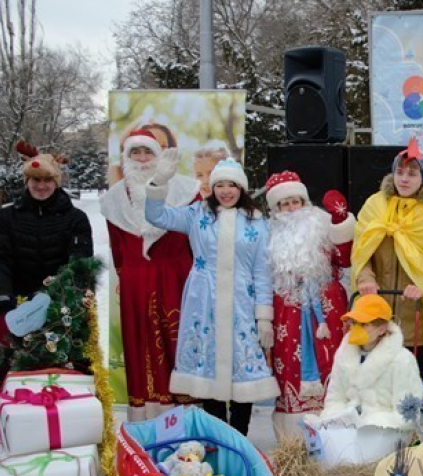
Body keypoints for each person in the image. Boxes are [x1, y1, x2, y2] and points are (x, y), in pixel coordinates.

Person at [145, 155, 279, 437]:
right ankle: (216, 437)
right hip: (203, 303)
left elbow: (262, 272)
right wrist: (158, 183)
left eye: (232, 184)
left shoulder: (257, 223)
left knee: (243, 374)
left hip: (242, 304)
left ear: (241, 188)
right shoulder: (197, 214)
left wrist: (264, 317)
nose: (226, 191)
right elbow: (156, 215)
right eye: (220, 184)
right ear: (212, 187)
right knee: (207, 368)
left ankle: (239, 436)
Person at [100, 129, 198, 421]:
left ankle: (185, 415)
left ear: (159, 156)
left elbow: (198, 239)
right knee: (140, 345)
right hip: (136, 282)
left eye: (148, 152)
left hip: (176, 277)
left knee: (177, 342)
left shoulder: (186, 191)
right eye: (135, 153)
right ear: (126, 158)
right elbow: (117, 249)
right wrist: (125, 277)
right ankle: (147, 418)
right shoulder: (114, 199)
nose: (142, 159)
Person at [265, 170, 355, 437]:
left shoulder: (323, 225)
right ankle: (294, 439)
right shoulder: (270, 235)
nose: (292, 209)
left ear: (306, 202)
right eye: (285, 204)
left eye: (297, 202)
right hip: (287, 310)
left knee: (332, 362)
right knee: (288, 367)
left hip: (327, 309)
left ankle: (334, 432)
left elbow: (346, 259)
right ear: (277, 209)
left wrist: (341, 223)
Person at [351, 138, 423, 379]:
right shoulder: (374, 205)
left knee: (410, 383)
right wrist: (366, 279)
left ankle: (410, 418)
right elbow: (361, 251)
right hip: (376, 309)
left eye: (412, 173)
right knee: (373, 382)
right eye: (400, 171)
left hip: (412, 317)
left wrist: (422, 285)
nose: (404, 179)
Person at [0, 142, 93, 373]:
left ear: (56, 182)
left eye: (48, 180)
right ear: (27, 182)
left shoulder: (76, 219)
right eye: (36, 180)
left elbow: (80, 264)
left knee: (61, 369)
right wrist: (5, 298)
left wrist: (61, 300)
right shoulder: (6, 217)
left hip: (59, 307)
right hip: (16, 305)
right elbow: (2, 260)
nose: (41, 186)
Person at [316, 294, 423, 462]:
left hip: (384, 434)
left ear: (382, 328)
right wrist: (336, 417)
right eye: (354, 323)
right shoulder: (344, 354)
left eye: (364, 324)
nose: (356, 329)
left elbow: (408, 415)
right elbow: (334, 397)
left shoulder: (403, 360)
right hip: (347, 431)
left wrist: (373, 423)